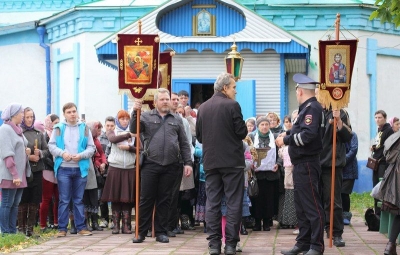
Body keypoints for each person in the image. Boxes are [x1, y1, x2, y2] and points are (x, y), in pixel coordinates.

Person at [130, 88, 193, 244]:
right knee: (146, 199)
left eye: (167, 99)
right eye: (163, 99)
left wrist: (188, 163)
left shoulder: (177, 119)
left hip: (171, 165)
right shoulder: (145, 116)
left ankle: (161, 232)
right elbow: (133, 129)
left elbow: (184, 143)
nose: (166, 102)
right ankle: (141, 232)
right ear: (155, 102)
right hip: (151, 164)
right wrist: (134, 112)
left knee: (165, 200)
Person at [196, 73, 247, 255]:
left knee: (213, 202)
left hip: (211, 162)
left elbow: (200, 136)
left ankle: (214, 245)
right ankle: (231, 244)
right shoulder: (232, 105)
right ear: (225, 88)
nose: (235, 91)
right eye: (234, 87)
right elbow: (241, 132)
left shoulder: (203, 108)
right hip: (232, 161)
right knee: (233, 202)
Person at [276, 73, 325, 255]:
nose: (296, 93)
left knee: (312, 206)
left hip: (307, 163)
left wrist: (286, 139)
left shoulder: (312, 108)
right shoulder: (306, 108)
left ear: (301, 91)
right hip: (301, 164)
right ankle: (303, 243)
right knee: (302, 207)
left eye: (297, 90)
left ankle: (316, 245)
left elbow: (308, 135)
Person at [48, 102, 95, 237]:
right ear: (64, 114)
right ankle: (62, 229)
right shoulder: (58, 128)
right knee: (64, 199)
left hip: (80, 169)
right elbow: (51, 146)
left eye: (74, 111)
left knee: (79, 199)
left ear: (77, 112)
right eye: (69, 112)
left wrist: (81, 156)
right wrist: (63, 154)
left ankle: (81, 227)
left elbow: (91, 148)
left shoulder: (85, 128)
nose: (72, 114)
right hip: (64, 168)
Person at [319, 104, 352, 247]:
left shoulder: (340, 112)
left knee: (333, 200)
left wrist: (338, 120)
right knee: (315, 199)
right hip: (314, 161)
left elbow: (347, 136)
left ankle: (336, 232)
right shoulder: (314, 110)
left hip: (333, 162)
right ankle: (317, 230)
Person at [101, 111, 136, 234]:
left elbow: (140, 148)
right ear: (118, 120)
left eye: (127, 119)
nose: (125, 121)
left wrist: (130, 148)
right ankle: (115, 224)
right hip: (115, 167)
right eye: (122, 119)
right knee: (115, 197)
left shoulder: (135, 133)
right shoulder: (113, 131)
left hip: (130, 168)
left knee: (127, 198)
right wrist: (128, 135)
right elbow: (113, 139)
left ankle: (126, 225)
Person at [0, 103, 31, 235]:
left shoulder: (17, 129)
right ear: (13, 115)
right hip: (10, 174)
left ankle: (12, 231)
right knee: (7, 203)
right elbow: (7, 154)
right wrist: (14, 175)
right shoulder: (5, 129)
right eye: (21, 113)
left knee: (15, 204)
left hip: (20, 173)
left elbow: (20, 147)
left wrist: (26, 150)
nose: (23, 116)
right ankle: (5, 232)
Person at [19, 107, 49, 237]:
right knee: (23, 200)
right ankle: (21, 229)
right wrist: (28, 157)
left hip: (37, 170)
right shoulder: (19, 132)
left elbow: (47, 151)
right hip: (24, 170)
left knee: (35, 199)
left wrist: (40, 153)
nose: (30, 119)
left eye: (32, 117)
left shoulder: (39, 134)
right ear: (23, 118)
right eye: (27, 117)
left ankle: (30, 230)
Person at [248, 117, 281, 232]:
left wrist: (278, 163)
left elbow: (281, 152)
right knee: (257, 199)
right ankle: (257, 222)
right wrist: (251, 164)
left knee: (269, 199)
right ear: (258, 126)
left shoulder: (275, 137)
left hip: (271, 174)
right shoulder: (252, 137)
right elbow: (248, 153)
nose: (265, 127)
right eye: (262, 124)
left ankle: (267, 222)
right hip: (257, 175)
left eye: (266, 124)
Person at [371, 110, 394, 215]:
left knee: (380, 188)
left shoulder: (388, 130)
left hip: (383, 163)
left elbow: (388, 148)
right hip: (376, 162)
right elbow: (379, 145)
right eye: (376, 117)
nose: (377, 120)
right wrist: (374, 148)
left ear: (385, 118)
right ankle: (376, 213)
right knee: (375, 187)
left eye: (379, 117)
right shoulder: (379, 130)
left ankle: (380, 214)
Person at [40, 114, 60, 232]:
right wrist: (53, 165)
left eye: (58, 122)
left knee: (58, 198)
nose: (56, 124)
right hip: (48, 170)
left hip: (58, 170)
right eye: (55, 122)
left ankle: (57, 222)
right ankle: (43, 224)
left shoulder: (59, 134)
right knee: (46, 199)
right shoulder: (44, 136)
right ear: (49, 123)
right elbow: (45, 153)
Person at [97, 116, 114, 228]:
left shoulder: (117, 137)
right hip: (102, 171)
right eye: (107, 125)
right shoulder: (100, 139)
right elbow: (98, 153)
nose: (109, 128)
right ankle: (104, 219)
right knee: (102, 196)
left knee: (113, 196)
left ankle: (114, 220)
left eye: (112, 125)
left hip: (113, 170)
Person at [342, 130, 358, 225]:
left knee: (344, 193)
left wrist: (343, 160)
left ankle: (346, 216)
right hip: (337, 168)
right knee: (337, 194)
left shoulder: (352, 135)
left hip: (349, 169)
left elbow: (353, 149)